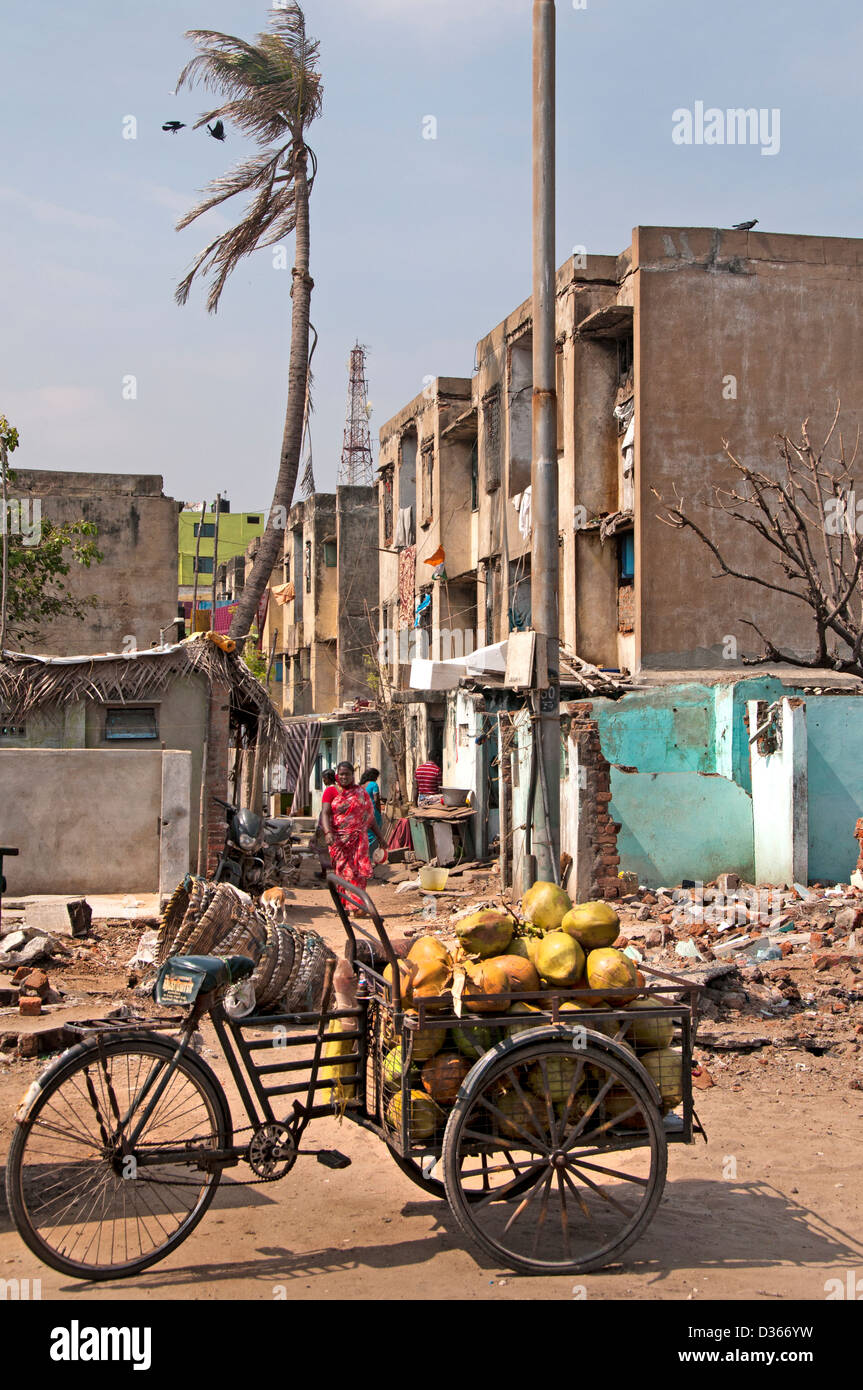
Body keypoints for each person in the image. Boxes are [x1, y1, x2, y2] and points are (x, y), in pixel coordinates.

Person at [321, 761, 385, 902]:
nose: (344, 777)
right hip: (338, 840)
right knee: (343, 872)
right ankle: (344, 902)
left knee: (358, 873)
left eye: (347, 774)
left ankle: (357, 905)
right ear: (337, 775)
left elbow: (370, 817)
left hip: (359, 840)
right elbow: (325, 813)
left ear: (352, 775)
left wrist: (380, 837)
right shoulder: (330, 791)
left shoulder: (361, 793)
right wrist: (327, 833)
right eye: (341, 774)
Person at [360, 767, 383, 852]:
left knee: (366, 833)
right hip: (373, 812)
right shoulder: (374, 784)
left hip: (362, 813)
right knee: (375, 832)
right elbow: (376, 799)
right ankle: (373, 854)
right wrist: (379, 810)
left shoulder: (361, 786)